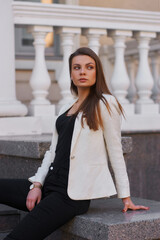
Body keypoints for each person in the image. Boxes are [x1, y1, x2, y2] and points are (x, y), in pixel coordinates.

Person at [0, 47, 149, 240]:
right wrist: (37, 184)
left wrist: (126, 197)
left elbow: (115, 151)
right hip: (49, 185)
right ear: (71, 74)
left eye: (89, 67)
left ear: (97, 72)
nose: (83, 72)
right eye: (77, 67)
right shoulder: (67, 106)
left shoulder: (105, 103)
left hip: (70, 196)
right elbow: (52, 152)